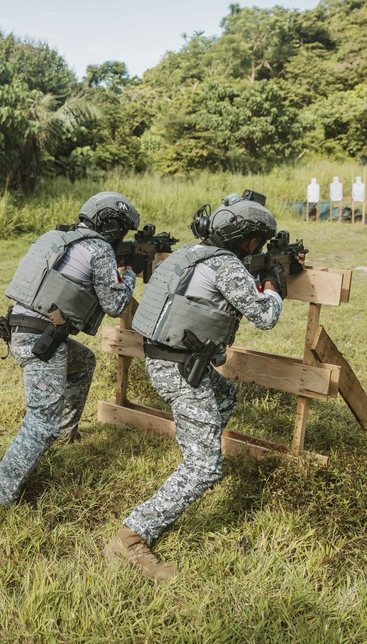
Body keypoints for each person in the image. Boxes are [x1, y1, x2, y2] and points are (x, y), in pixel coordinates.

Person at [104, 191, 301, 580]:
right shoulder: (228, 267)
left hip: (165, 360)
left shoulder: (189, 254)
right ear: (247, 240)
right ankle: (131, 537)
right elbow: (264, 316)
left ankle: (197, 439)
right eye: (256, 242)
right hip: (182, 369)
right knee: (206, 468)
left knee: (226, 393)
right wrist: (274, 284)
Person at [0, 192, 142, 519]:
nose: (121, 238)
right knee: (39, 424)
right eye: (121, 231)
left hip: (20, 329)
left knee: (83, 362)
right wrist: (131, 272)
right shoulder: (100, 249)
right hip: (43, 341)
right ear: (110, 225)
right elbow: (115, 305)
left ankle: (66, 436)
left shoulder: (56, 236)